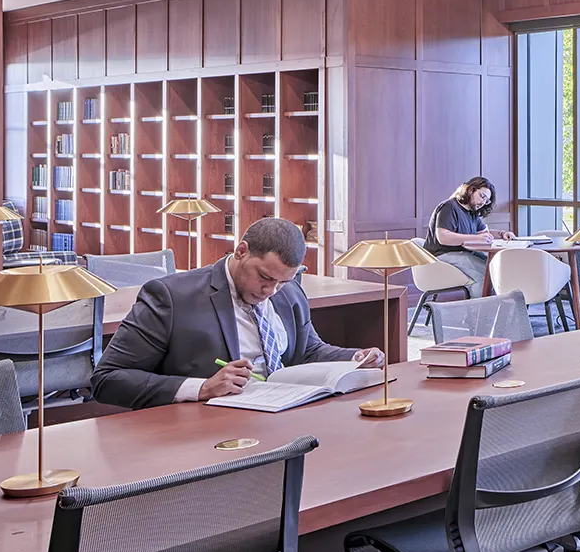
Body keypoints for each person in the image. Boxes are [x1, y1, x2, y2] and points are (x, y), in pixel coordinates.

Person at [91, 217, 385, 410]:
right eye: (265, 278)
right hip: (206, 431)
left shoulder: (289, 292)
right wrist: (202, 387)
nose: (271, 291)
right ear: (241, 251)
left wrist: (355, 357)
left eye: (282, 282)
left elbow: (308, 351)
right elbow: (107, 379)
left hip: (285, 415)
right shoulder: (170, 297)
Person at [421, 176, 514, 292]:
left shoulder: (472, 212)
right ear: (470, 190)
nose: (483, 202)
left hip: (461, 253)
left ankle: (493, 307)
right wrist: (476, 238)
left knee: (494, 269)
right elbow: (443, 237)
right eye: (482, 196)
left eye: (487, 200)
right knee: (485, 276)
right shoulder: (449, 207)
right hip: (440, 256)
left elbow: (484, 234)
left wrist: (502, 234)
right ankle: (478, 310)